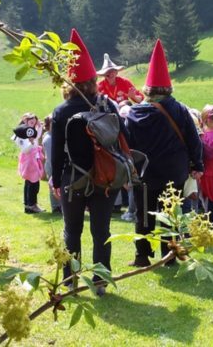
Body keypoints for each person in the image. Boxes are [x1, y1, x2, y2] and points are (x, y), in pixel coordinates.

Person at [49, 29, 119, 296]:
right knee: (101, 231)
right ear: (94, 80)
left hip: (72, 177)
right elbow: (120, 138)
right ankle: (100, 282)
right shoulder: (108, 106)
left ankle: (70, 282)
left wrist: (55, 180)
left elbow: (56, 152)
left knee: (72, 232)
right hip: (105, 177)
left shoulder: (61, 111)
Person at [125, 40, 203, 267]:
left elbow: (128, 144)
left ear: (147, 90)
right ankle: (168, 257)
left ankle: (141, 255)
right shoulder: (179, 110)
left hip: (145, 173)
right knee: (170, 214)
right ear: (168, 88)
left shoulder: (133, 113)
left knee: (143, 215)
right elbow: (193, 139)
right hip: (174, 172)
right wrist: (197, 165)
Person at [13, 112, 44, 214]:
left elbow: (36, 136)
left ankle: (29, 204)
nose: (33, 125)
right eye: (31, 122)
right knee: (33, 183)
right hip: (29, 161)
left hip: (33, 160)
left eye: (34, 123)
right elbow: (25, 150)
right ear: (25, 121)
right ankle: (31, 205)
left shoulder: (29, 131)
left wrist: (39, 127)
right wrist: (31, 143)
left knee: (31, 182)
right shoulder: (21, 134)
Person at [42, 115, 62, 214]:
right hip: (52, 165)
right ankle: (56, 207)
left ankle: (59, 206)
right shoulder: (50, 138)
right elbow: (50, 156)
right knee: (54, 186)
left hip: (51, 165)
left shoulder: (49, 135)